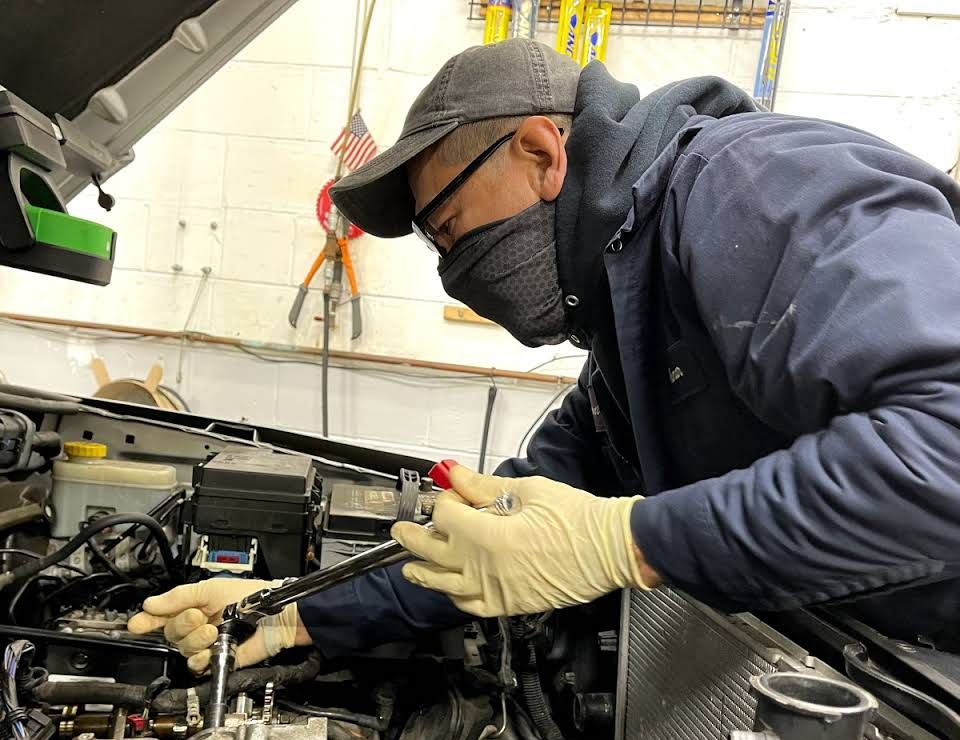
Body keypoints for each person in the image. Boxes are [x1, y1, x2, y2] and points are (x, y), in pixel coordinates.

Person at [129, 38, 960, 670]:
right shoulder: (624, 331)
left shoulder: (749, 186)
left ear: (541, 153)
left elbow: (944, 450)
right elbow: (495, 536)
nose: (454, 268)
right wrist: (293, 610)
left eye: (448, 226)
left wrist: (629, 541)